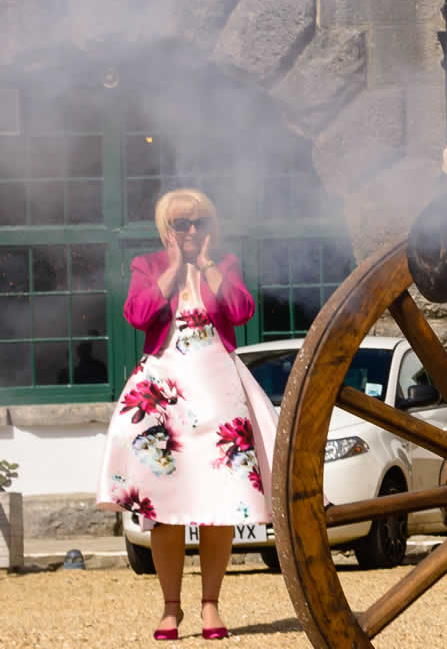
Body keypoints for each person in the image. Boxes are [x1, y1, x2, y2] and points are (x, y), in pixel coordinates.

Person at [96, 188, 278, 642]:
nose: (193, 231)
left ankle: (211, 604)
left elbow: (240, 310)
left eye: (200, 222)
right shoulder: (148, 266)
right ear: (167, 229)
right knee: (165, 507)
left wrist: (208, 266)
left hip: (218, 395)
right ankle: (170, 608)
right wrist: (176, 267)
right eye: (182, 224)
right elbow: (137, 314)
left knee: (221, 505)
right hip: (164, 395)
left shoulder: (225, 263)